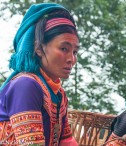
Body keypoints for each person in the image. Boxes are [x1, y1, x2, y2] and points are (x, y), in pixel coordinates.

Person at [0, 3, 79, 146]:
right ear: (39, 48)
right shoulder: (25, 85)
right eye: (64, 48)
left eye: (75, 52)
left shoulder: (59, 94)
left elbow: (66, 141)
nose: (71, 59)